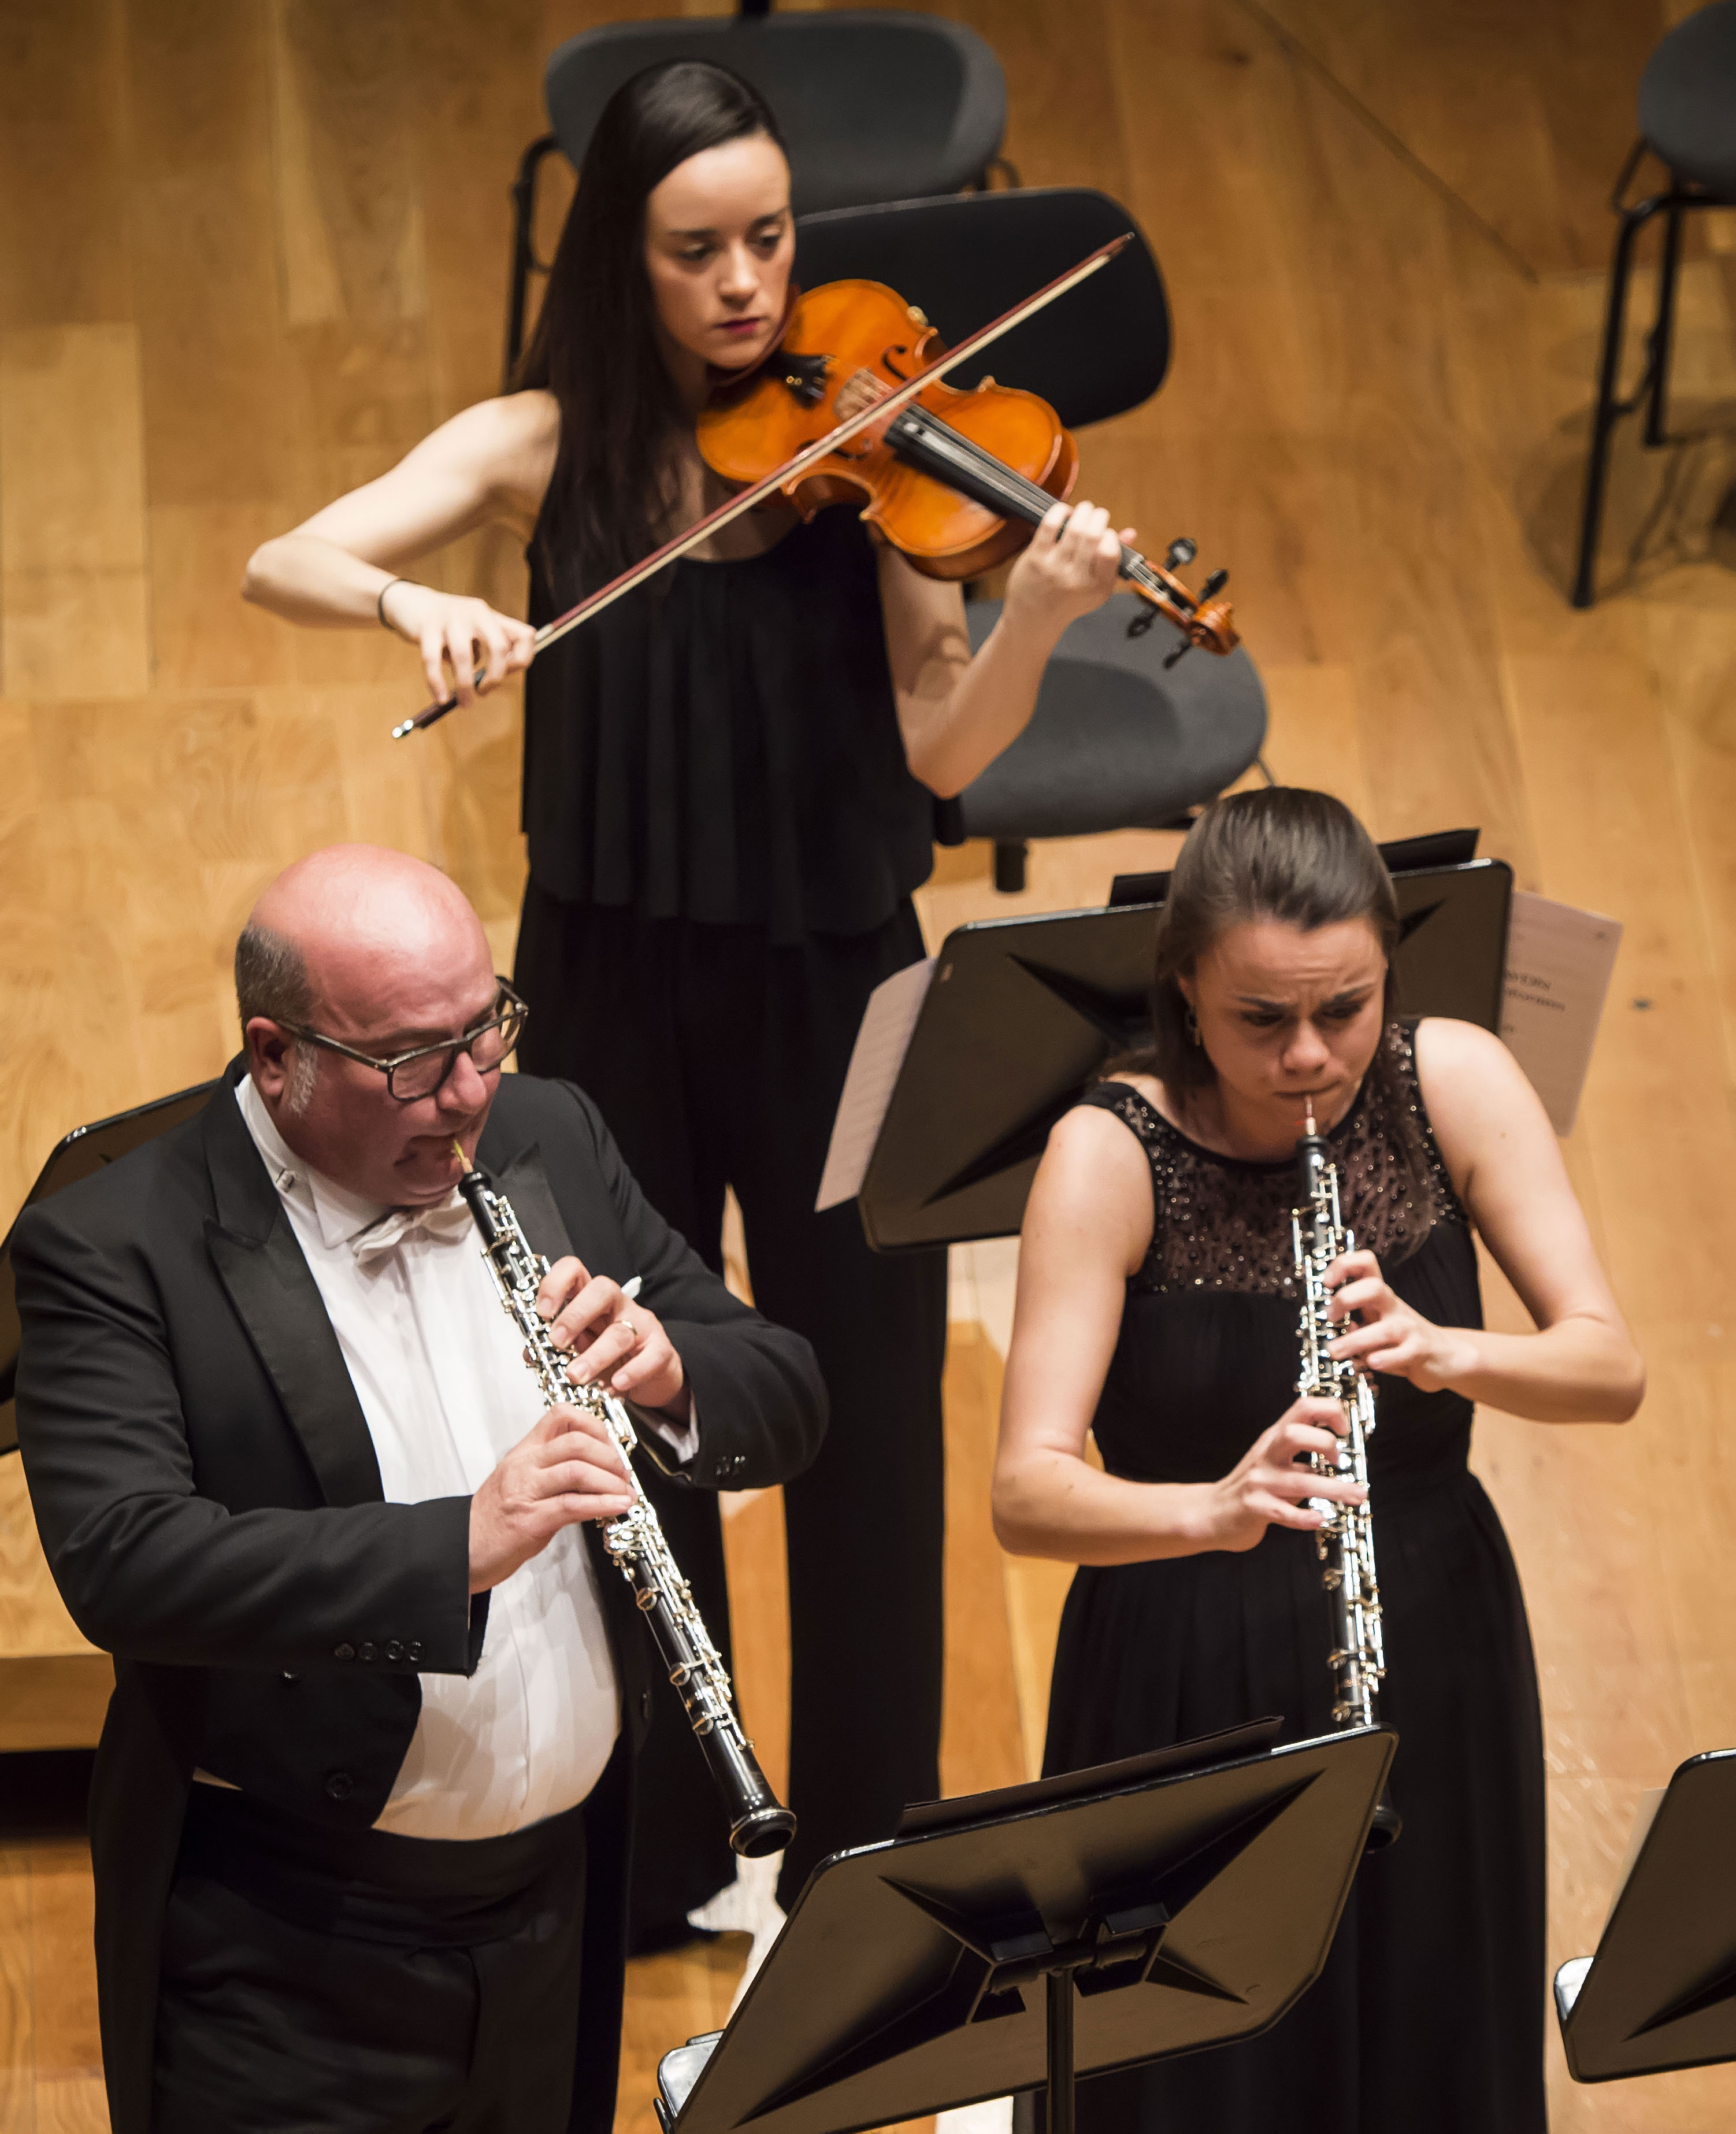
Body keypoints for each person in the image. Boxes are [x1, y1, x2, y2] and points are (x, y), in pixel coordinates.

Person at [239, 60, 1133, 1925]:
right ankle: (666, 1842)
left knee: (865, 1411)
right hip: (605, 987)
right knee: (631, 1396)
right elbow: (284, 557)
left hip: (835, 987)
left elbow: (941, 747)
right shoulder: (542, 445)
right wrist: (415, 606)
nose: (744, 284)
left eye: (769, 239)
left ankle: (867, 1854)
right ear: (620, 260)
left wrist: (1039, 616)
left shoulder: (872, 468)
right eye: (695, 249)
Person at [12, 843, 827, 2134]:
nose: (467, 1093)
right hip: (285, 1967)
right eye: (410, 1061)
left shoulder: (551, 1132)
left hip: (557, 1918)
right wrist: (459, 1543)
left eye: (483, 1030)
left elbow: (784, 1386)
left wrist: (672, 1373)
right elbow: (127, 1558)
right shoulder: (115, 1243)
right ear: (275, 1055)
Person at [992, 788, 1645, 2133]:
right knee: (1199, 2078)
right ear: (1184, 987)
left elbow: (1606, 1367)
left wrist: (1445, 1351)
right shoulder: (1107, 1155)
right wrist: (1210, 1509)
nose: (1306, 1055)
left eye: (1342, 1009)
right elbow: (1026, 1490)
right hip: (1182, 1670)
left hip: (1430, 1630)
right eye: (1259, 1019)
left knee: (1428, 2019)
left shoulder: (1448, 1079)